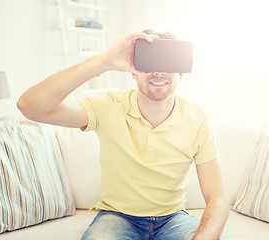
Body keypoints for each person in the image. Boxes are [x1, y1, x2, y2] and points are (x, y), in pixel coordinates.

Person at [17, 29, 229, 240]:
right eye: (150, 62)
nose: (159, 72)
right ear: (133, 71)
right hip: (116, 218)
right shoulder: (108, 106)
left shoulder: (197, 118)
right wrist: (105, 61)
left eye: (168, 63)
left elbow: (217, 198)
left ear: (181, 72)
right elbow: (30, 107)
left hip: (172, 218)